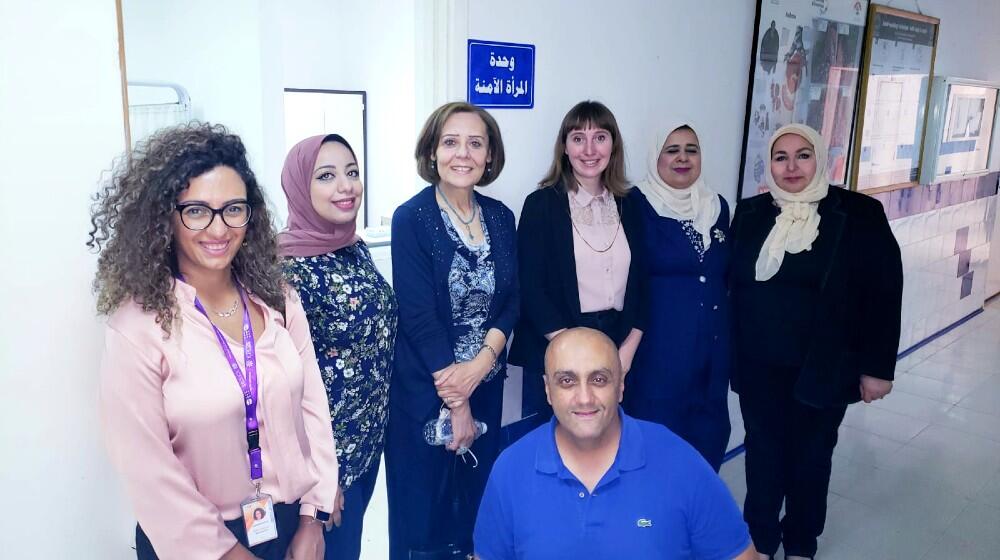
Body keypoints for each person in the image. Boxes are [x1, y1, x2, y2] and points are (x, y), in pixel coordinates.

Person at [90, 123, 339, 560]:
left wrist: (312, 518)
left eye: (232, 209)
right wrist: (226, 554)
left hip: (287, 527)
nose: (218, 228)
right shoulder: (138, 325)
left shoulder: (276, 299)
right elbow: (147, 470)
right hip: (191, 541)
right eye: (197, 211)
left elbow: (313, 408)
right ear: (166, 215)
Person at [729, 123, 902, 560]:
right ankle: (762, 539)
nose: (791, 166)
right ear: (768, 163)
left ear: (822, 159)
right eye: (780, 157)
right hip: (760, 365)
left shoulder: (858, 214)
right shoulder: (750, 214)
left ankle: (802, 541)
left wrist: (877, 368)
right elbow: (733, 288)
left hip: (825, 365)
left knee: (811, 458)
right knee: (763, 455)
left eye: (802, 155)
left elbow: (884, 293)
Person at [474, 328, 756, 560]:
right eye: (567, 381)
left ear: (620, 385)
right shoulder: (511, 470)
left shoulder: (679, 461)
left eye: (599, 379)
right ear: (548, 390)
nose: (584, 398)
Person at [386, 102, 519, 559]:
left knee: (476, 513)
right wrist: (456, 400)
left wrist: (482, 364)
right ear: (433, 152)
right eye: (451, 141)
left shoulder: (501, 217)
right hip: (426, 393)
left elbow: (512, 299)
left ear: (489, 156)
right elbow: (419, 317)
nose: (463, 153)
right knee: (423, 522)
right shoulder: (412, 218)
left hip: (485, 385)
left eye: (475, 143)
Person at [279, 134, 397, 560]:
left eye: (351, 172)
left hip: (364, 451)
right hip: (326, 472)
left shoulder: (352, 247)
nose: (346, 186)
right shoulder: (289, 271)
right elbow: (286, 389)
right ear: (299, 188)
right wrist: (319, 486)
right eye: (326, 176)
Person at [509, 100, 647, 428]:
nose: (589, 149)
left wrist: (623, 355)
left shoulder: (632, 203)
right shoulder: (541, 205)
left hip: (619, 345)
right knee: (555, 453)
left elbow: (643, 284)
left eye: (600, 137)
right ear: (564, 147)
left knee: (611, 449)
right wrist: (575, 354)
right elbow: (531, 287)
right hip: (555, 348)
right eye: (577, 138)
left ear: (613, 146)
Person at [626, 119, 732, 471]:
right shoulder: (634, 205)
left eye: (691, 150)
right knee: (656, 450)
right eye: (671, 150)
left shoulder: (717, 207)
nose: (682, 158)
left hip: (711, 357)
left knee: (707, 447)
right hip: (657, 356)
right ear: (655, 157)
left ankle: (695, 522)